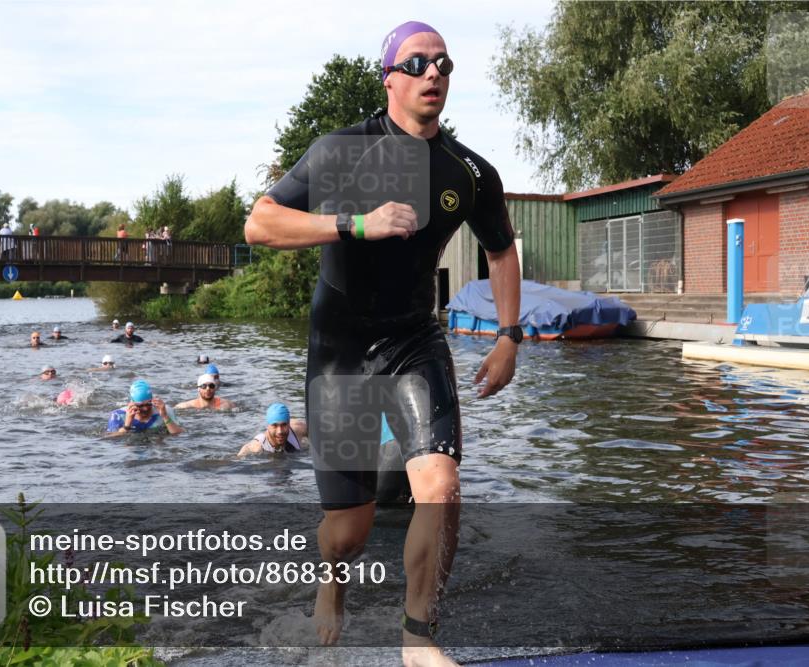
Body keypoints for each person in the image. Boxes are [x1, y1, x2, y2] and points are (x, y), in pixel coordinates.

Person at [244, 21, 520, 666]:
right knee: (350, 530)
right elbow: (260, 223)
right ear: (390, 77)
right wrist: (354, 224)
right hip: (340, 347)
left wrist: (508, 336)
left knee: (441, 484)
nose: (434, 74)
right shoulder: (342, 150)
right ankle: (331, 581)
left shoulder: (470, 171)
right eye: (418, 63)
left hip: (413, 337)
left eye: (444, 65)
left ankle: (418, 640)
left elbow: (501, 251)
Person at [106, 379, 183, 436]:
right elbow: (111, 439)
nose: (145, 408)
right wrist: (127, 425)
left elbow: (178, 434)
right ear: (131, 403)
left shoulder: (164, 411)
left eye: (148, 404)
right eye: (140, 406)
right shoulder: (118, 415)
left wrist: (165, 416)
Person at [237, 403, 308, 458]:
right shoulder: (256, 447)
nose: (280, 431)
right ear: (268, 426)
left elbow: (318, 434)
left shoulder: (298, 429)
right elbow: (234, 462)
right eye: (275, 425)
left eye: (284, 425)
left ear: (289, 424)